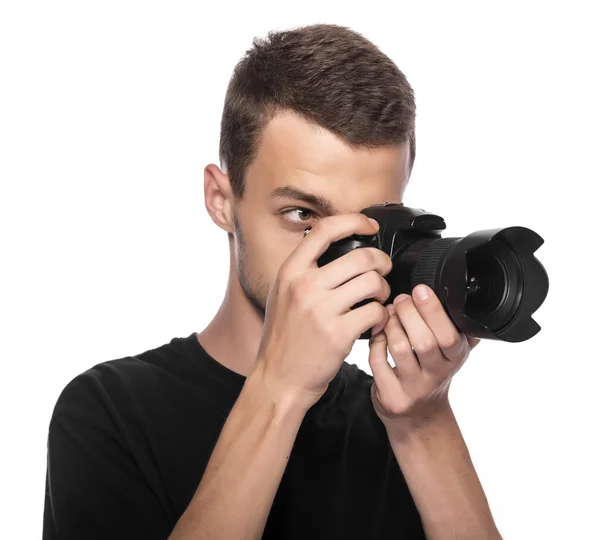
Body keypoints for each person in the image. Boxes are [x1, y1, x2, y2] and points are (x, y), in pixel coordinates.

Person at [43, 23, 503, 540]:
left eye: (370, 223)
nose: (338, 255)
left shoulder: (396, 418)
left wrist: (426, 423)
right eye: (302, 214)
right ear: (222, 201)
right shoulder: (109, 410)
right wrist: (279, 389)